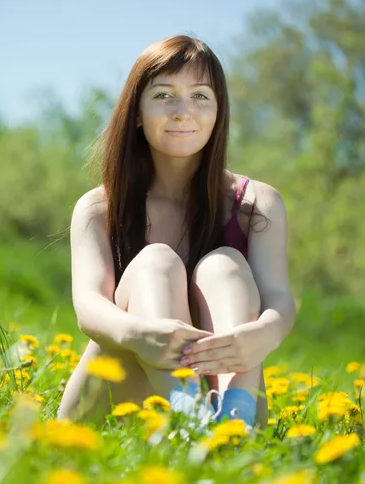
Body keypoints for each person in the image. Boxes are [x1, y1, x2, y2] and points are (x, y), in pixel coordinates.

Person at [57, 34, 296, 430]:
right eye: (164, 95)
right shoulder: (98, 207)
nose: (183, 111)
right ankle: (189, 425)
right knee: (156, 263)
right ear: (136, 111)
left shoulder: (257, 205)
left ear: (219, 111)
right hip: (116, 399)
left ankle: (231, 426)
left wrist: (261, 336)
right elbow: (88, 307)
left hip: (228, 393)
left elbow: (280, 301)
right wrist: (138, 335)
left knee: (225, 266)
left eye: (200, 96)